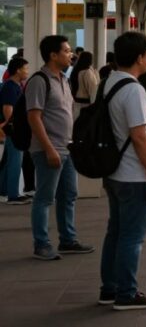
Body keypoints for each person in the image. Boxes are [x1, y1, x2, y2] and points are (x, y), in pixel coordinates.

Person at [99, 32, 146, 311]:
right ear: (139, 57)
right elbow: (139, 136)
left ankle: (109, 289)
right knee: (132, 237)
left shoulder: (108, 82)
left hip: (114, 172)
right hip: (132, 174)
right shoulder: (134, 89)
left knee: (115, 232)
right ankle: (126, 293)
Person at [27, 35, 93, 260]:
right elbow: (34, 117)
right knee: (45, 198)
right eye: (66, 51)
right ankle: (41, 244)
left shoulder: (64, 79)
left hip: (67, 148)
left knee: (69, 195)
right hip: (49, 149)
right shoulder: (39, 81)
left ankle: (68, 240)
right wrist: (48, 149)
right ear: (53, 55)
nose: (70, 54)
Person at [0, 58, 31, 204]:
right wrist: (13, 125)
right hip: (15, 129)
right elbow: (7, 108)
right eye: (25, 68)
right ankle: (13, 195)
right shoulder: (10, 87)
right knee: (15, 161)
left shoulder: (17, 85)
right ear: (18, 70)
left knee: (9, 160)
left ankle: (3, 190)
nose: (27, 71)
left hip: (15, 128)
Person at [70, 51, 100, 121]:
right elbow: (93, 91)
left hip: (75, 102)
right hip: (86, 105)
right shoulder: (87, 72)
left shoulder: (75, 70)